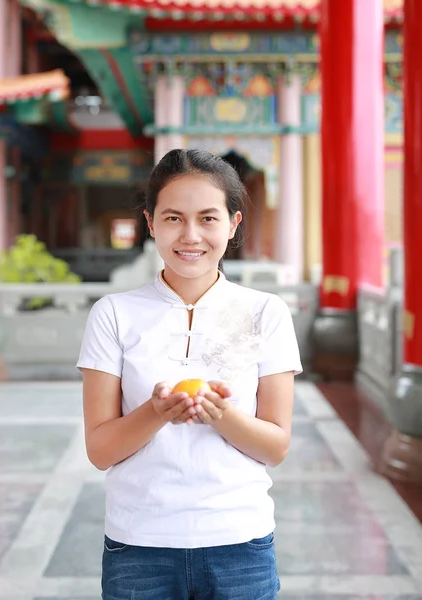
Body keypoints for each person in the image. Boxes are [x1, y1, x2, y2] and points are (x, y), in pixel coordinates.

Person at [76, 148, 302, 600]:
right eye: (174, 218)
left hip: (241, 542)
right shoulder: (114, 314)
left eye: (208, 218)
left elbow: (275, 445)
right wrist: (157, 413)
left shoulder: (265, 312)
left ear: (234, 224)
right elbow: (100, 450)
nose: (191, 235)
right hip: (139, 545)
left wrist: (221, 415)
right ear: (151, 222)